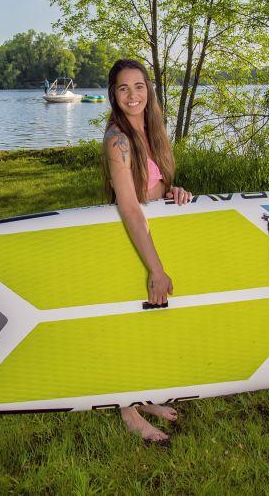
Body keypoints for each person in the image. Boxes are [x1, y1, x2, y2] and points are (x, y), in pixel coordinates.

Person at [101, 58, 193, 443]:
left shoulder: (151, 132)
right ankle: (128, 410)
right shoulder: (118, 140)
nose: (132, 95)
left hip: (151, 234)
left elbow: (153, 188)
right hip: (130, 239)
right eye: (123, 88)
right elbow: (130, 208)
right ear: (114, 94)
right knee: (130, 327)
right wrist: (156, 269)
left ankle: (146, 398)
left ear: (148, 90)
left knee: (151, 323)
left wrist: (173, 191)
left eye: (139, 86)